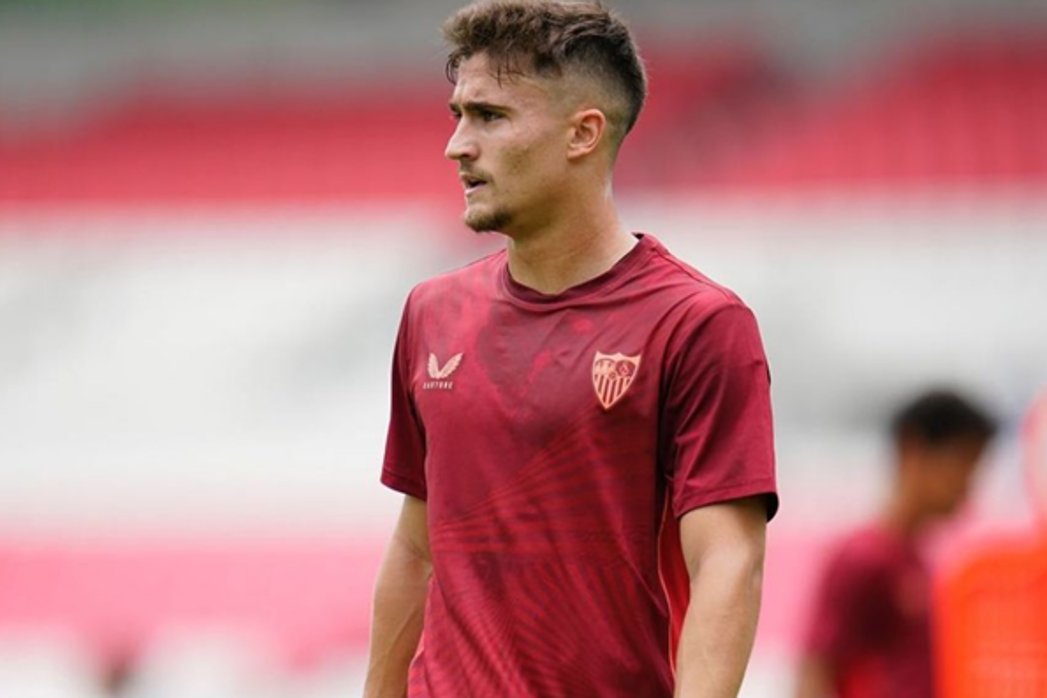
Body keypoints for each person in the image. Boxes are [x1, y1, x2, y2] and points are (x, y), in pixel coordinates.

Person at [362, 2, 779, 696]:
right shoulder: (431, 313)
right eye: (457, 114)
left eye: (490, 117)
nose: (458, 145)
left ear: (582, 134)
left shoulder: (697, 325)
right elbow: (414, 549)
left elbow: (727, 564)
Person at [795, 389, 996, 698]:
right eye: (962, 462)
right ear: (912, 448)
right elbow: (814, 674)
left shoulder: (920, 563)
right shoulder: (861, 557)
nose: (967, 484)